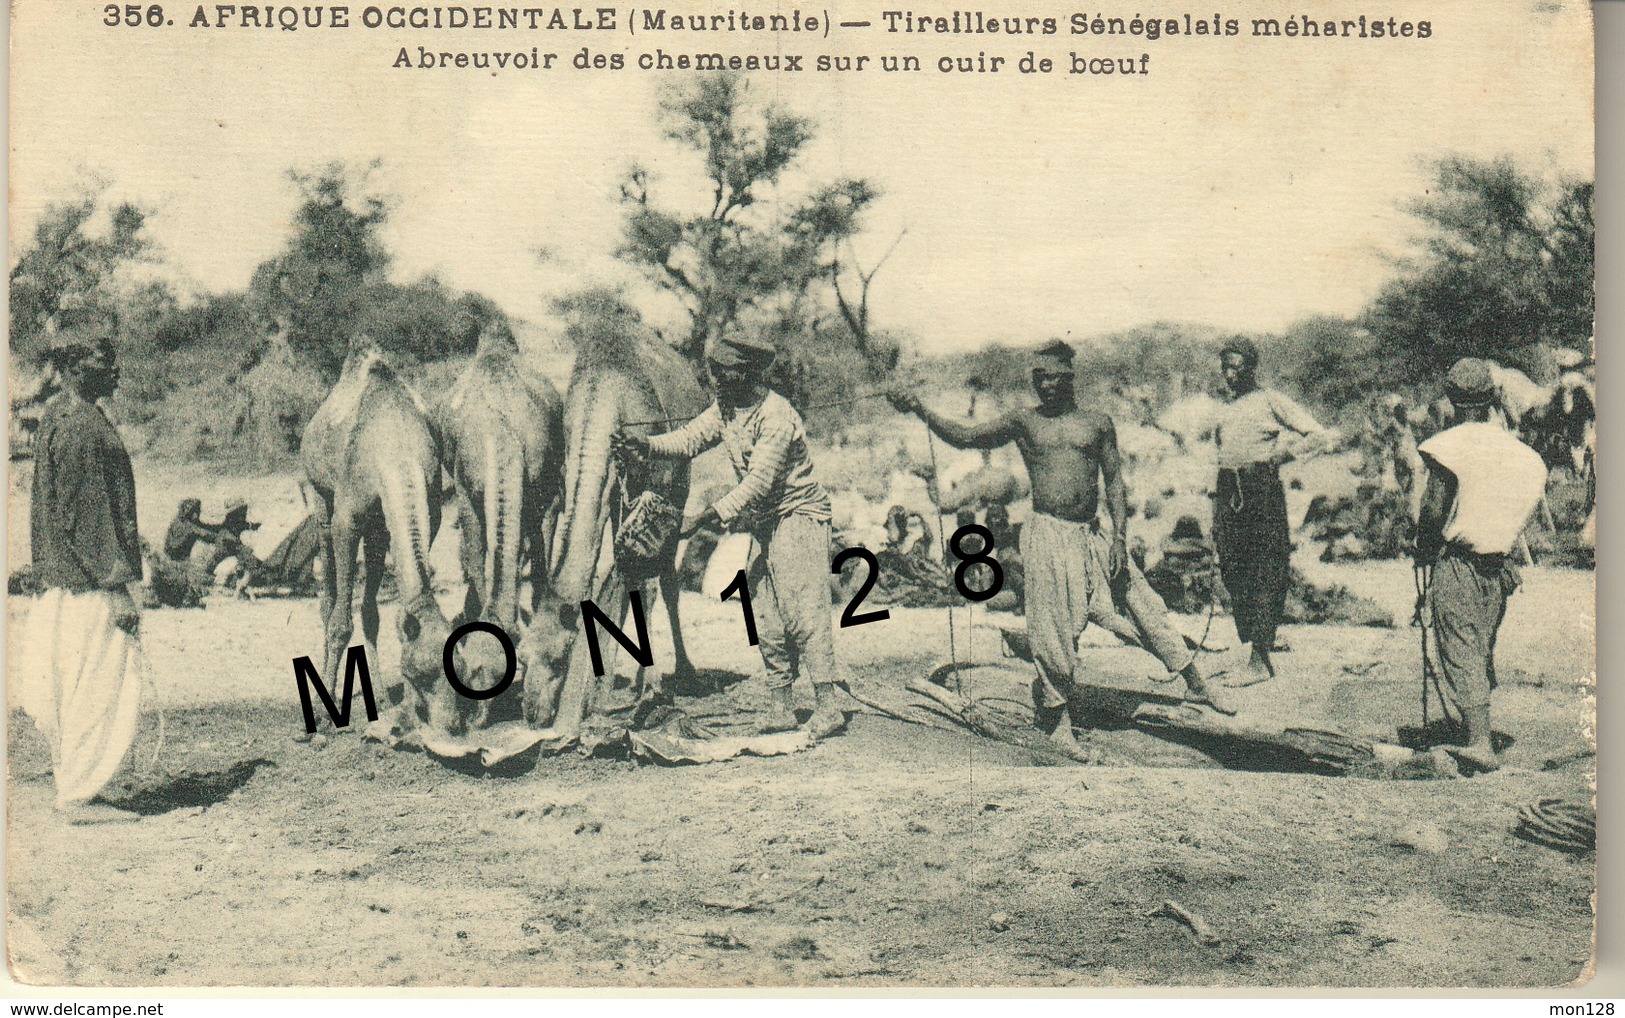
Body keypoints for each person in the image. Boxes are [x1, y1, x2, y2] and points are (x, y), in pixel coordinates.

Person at [888, 340, 1233, 748]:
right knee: (1053, 630)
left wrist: (1120, 536)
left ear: (1070, 378)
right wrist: (920, 409)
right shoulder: (1024, 422)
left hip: (1094, 534)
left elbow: (1115, 482)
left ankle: (1195, 681)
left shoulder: (1097, 423)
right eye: (1039, 378)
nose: (1046, 385)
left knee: (1142, 603)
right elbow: (966, 437)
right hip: (1048, 535)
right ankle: (1056, 720)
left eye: (1054, 377)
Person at [613, 334, 845, 740]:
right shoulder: (726, 408)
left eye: (723, 374)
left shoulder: (776, 417)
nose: (716, 381)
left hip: (799, 517)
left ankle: (828, 706)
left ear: (747, 373)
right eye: (714, 373)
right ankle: (781, 705)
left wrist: (701, 518)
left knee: (803, 611)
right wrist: (646, 444)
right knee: (766, 613)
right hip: (766, 522)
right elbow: (689, 439)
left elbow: (758, 482)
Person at [19, 312, 147, 824]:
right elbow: (86, 515)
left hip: (68, 584)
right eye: (103, 358)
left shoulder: (63, 415)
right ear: (74, 364)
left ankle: (74, 787)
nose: (114, 368)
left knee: (72, 687)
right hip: (89, 587)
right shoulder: (78, 426)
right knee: (96, 686)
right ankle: (78, 796)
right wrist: (116, 588)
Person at [1414, 358, 1547, 773]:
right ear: (1491, 398)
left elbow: (1434, 510)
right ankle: (1479, 731)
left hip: (1461, 560)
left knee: (1459, 644)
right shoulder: (1525, 455)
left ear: (1453, 399)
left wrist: (1423, 546)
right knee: (1481, 645)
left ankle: (1478, 743)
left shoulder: (1449, 444)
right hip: (1501, 565)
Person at [1212, 337, 1335, 685]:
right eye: (1226, 367)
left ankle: (1260, 659)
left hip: (1260, 488)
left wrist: (1284, 455)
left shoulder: (1270, 400)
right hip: (1228, 491)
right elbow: (1221, 457)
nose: (1231, 374)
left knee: (1266, 567)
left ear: (1251, 368)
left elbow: (1318, 435)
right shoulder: (1224, 409)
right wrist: (1216, 511)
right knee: (1234, 569)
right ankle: (1257, 642)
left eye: (1238, 367)